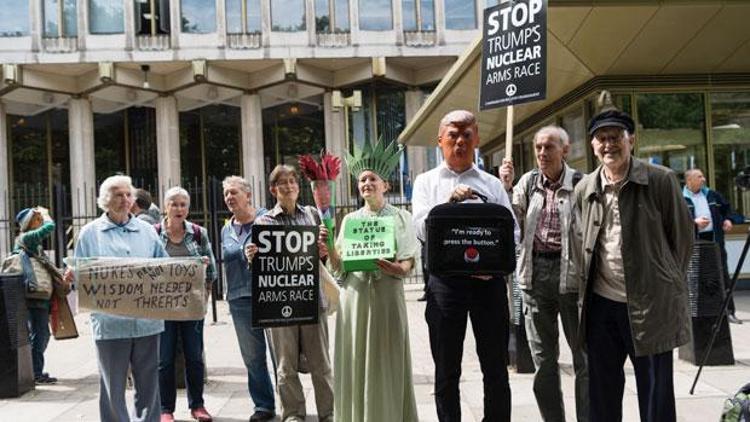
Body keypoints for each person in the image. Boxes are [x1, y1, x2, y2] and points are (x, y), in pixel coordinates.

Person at [574, 109, 693, 422]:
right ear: (592, 144)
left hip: (650, 307)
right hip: (601, 307)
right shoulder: (585, 188)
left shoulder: (661, 180)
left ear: (631, 140)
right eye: (602, 138)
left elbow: (682, 242)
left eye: (616, 137)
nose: (609, 144)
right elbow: (579, 245)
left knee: (656, 395)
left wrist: (663, 285)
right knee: (602, 394)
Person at [412, 110, 519, 422]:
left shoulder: (492, 184)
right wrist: (448, 203)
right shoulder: (425, 182)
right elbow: (419, 229)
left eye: (466, 134)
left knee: (495, 367)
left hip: (489, 285)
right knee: (446, 368)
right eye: (453, 135)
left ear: (477, 139)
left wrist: (497, 267)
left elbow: (513, 233)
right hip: (446, 286)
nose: (460, 141)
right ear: (440, 141)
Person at [499, 126, 588, 422]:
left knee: (584, 358)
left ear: (565, 150)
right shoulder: (528, 182)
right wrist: (507, 188)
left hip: (573, 279)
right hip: (535, 277)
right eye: (538, 147)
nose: (541, 153)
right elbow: (512, 223)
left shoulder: (582, 184)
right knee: (544, 362)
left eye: (549, 147)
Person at [327, 140, 419, 422]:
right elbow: (339, 266)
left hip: (387, 297)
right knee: (356, 359)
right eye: (362, 180)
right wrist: (328, 245)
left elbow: (408, 262)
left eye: (372, 179)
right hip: (355, 299)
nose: (366, 183)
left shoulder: (402, 217)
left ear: (385, 185)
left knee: (387, 359)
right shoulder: (350, 221)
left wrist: (397, 269)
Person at [67, 175, 168, 422]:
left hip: (147, 322)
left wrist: (194, 267)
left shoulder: (148, 231)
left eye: (127, 194)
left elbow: (166, 268)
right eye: (117, 194)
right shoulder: (90, 234)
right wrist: (73, 275)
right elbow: (82, 275)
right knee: (112, 385)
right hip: (111, 324)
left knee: (149, 384)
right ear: (105, 200)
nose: (124, 199)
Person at [246, 165, 334, 422]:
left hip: (311, 301)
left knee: (322, 364)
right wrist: (250, 255)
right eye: (282, 183)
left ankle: (328, 413)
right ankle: (293, 414)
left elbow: (321, 259)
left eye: (293, 181)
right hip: (278, 304)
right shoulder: (264, 222)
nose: (289, 186)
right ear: (273, 189)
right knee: (285, 366)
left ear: (299, 186)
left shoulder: (312, 216)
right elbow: (254, 258)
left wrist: (323, 250)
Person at [156, 187, 217, 422]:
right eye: (174, 204)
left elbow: (210, 271)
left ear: (188, 208)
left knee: (194, 357)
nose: (179, 209)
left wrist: (203, 302)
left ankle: (197, 405)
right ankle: (165, 409)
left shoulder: (199, 234)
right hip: (162, 310)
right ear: (165, 207)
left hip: (192, 309)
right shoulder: (154, 233)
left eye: (183, 204)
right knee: (164, 359)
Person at [220, 176, 276, 422]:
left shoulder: (267, 219)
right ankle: (263, 405)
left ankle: (290, 402)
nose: (229, 198)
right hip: (239, 298)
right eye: (226, 194)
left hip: (270, 294)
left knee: (280, 354)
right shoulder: (226, 228)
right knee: (253, 357)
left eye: (234, 192)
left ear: (248, 195)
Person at [683, 168, 745, 324]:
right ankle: (693, 316)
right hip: (693, 243)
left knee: (723, 276)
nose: (703, 179)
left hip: (715, 240)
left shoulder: (712, 194)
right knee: (693, 279)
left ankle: (729, 312)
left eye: (703, 176)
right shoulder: (679, 197)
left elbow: (728, 210)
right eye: (699, 177)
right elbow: (673, 221)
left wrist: (728, 219)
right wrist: (694, 223)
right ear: (689, 180)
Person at [15, 206, 58, 384]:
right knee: (39, 334)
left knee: (41, 333)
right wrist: (47, 214)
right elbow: (50, 227)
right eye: (37, 219)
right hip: (34, 296)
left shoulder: (31, 242)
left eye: (40, 218)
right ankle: (35, 373)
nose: (41, 221)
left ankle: (35, 370)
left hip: (39, 296)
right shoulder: (27, 238)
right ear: (29, 223)